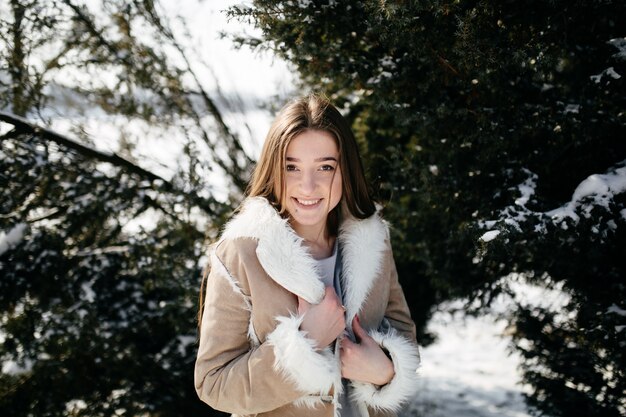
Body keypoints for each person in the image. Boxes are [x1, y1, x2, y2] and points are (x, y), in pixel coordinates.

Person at [195, 94, 420, 417]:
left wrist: (385, 371)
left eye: (325, 167)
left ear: (346, 170)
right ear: (274, 170)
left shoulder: (372, 241)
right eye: (292, 167)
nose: (308, 186)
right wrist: (305, 344)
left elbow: (404, 337)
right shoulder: (240, 253)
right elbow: (213, 384)